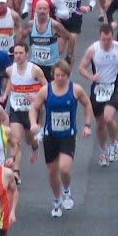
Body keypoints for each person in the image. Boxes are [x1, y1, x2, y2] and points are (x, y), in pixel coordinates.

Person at [35, 61, 90, 217]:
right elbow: (34, 107)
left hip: (68, 135)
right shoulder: (46, 90)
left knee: (64, 168)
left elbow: (87, 104)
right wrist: (34, 123)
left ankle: (66, 191)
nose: (59, 78)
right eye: (57, 75)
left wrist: (87, 124)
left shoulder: (75, 89)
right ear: (53, 74)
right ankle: (57, 199)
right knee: (52, 172)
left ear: (68, 75)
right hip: (50, 136)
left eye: (63, 76)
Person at [78, 22, 118, 167]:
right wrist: (91, 77)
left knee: (108, 118)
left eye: (109, 39)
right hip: (98, 89)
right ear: (100, 38)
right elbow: (81, 67)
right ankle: (103, 150)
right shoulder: (93, 50)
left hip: (113, 87)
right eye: (103, 39)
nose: (106, 42)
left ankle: (113, 143)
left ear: (112, 37)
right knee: (100, 124)